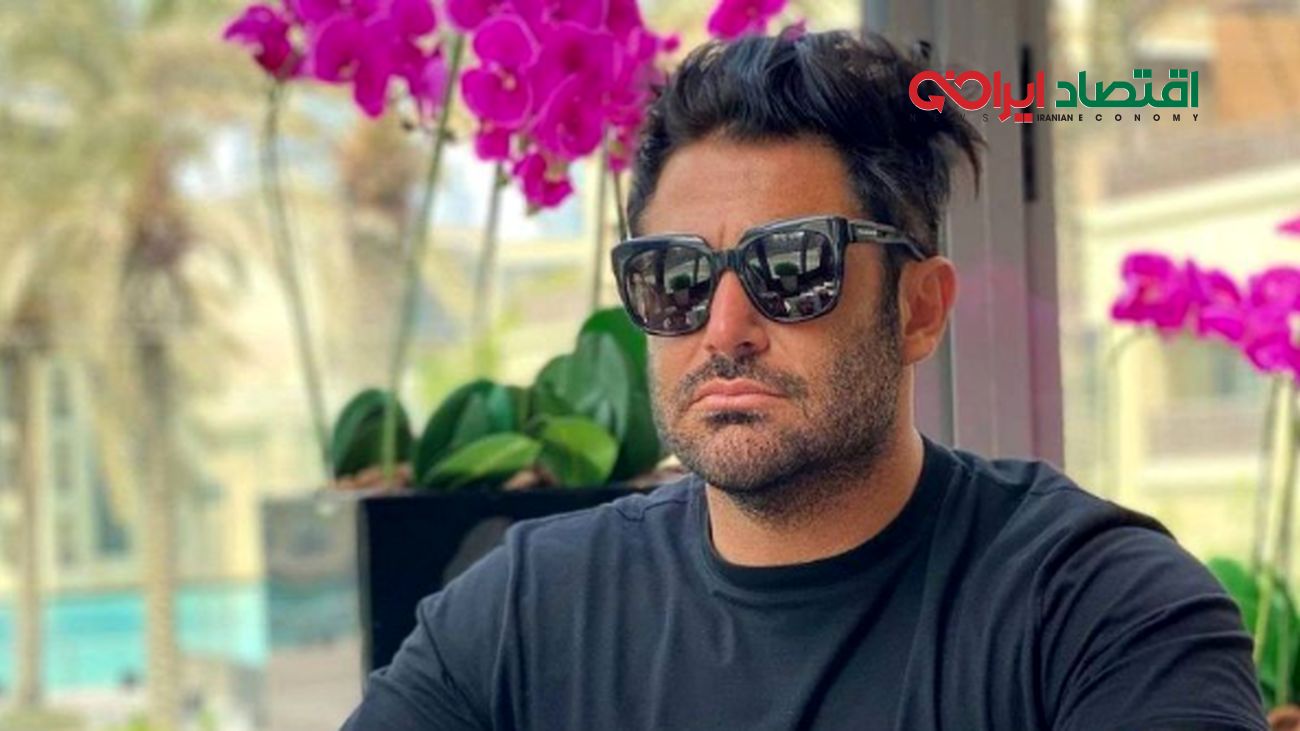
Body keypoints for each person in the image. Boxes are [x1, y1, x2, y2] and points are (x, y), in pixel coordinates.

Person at [341, 30, 1269, 731]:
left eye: (791, 267)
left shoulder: (1096, 610)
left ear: (918, 308)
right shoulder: (526, 612)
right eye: (675, 277)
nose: (724, 328)